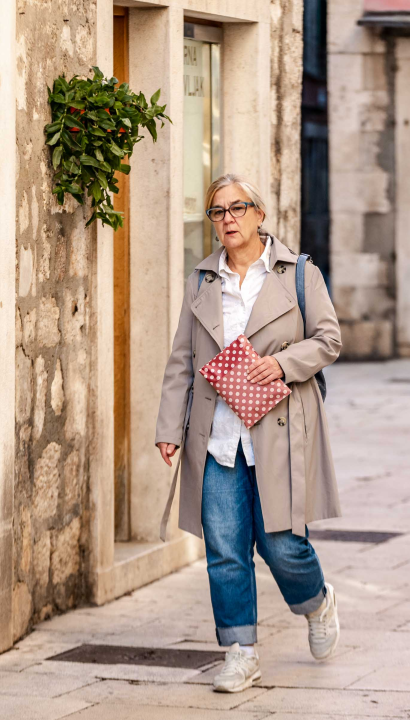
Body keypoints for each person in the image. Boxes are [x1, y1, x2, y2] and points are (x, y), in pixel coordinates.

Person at [154, 174, 342, 693]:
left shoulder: (299, 274)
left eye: (238, 208)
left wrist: (281, 364)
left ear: (260, 214)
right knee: (225, 549)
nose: (228, 219)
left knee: (282, 544)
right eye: (217, 211)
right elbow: (181, 362)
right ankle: (241, 651)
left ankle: (316, 601)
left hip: (278, 432)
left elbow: (328, 340)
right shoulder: (202, 280)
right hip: (216, 436)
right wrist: (169, 427)